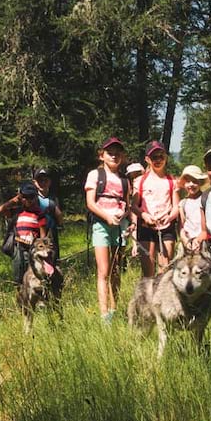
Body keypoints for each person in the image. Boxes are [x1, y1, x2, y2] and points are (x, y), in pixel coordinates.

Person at [85, 137, 131, 323]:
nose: (114, 155)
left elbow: (127, 205)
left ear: (122, 156)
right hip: (102, 227)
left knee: (116, 270)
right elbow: (90, 203)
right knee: (103, 271)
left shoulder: (125, 180)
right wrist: (107, 217)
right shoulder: (95, 175)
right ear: (101, 155)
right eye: (110, 152)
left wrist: (123, 215)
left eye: (118, 152)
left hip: (119, 228)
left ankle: (115, 308)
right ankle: (104, 314)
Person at [131, 141, 179, 276]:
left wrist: (169, 217)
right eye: (154, 157)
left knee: (165, 270)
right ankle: (149, 296)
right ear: (147, 159)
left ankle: (163, 296)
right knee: (148, 272)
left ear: (166, 157)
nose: (158, 160)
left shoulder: (172, 181)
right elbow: (134, 206)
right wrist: (144, 215)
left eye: (161, 156)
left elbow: (176, 206)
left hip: (166, 228)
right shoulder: (140, 181)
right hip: (146, 228)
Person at [0, 181, 48, 283]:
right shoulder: (17, 212)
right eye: (25, 197)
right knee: (19, 278)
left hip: (32, 250)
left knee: (34, 277)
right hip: (18, 249)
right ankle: (20, 295)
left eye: (31, 197)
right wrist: (13, 201)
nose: (28, 200)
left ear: (35, 197)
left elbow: (43, 236)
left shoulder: (39, 214)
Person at [32, 168, 64, 260]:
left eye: (45, 180)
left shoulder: (53, 198)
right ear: (35, 182)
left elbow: (59, 215)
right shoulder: (32, 198)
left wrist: (60, 224)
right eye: (40, 180)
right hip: (36, 233)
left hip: (51, 232)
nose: (43, 183)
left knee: (53, 256)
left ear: (50, 182)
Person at [178, 165, 208, 250]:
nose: (191, 184)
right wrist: (185, 239)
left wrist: (199, 239)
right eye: (188, 181)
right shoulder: (183, 203)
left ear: (200, 183)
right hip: (189, 243)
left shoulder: (205, 199)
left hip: (204, 242)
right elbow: (182, 226)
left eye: (195, 181)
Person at [124, 162, 144, 259]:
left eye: (138, 175)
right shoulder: (132, 199)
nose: (136, 179)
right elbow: (134, 222)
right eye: (133, 177)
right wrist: (135, 244)